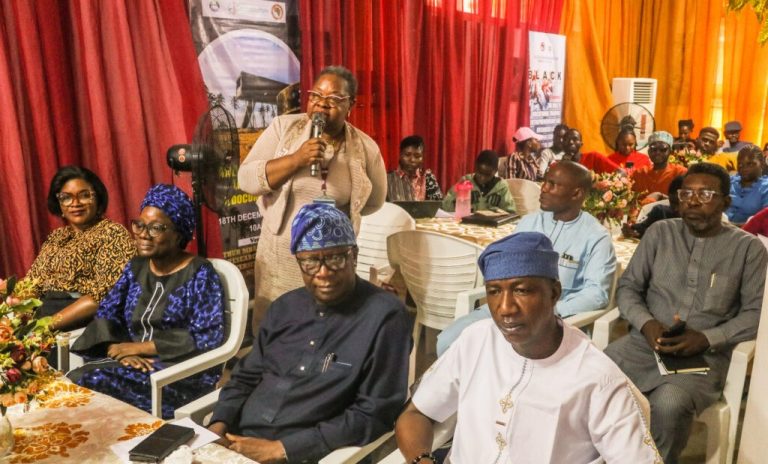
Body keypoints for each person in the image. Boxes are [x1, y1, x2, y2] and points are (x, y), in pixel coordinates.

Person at [395, 232, 661, 464]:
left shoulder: (597, 379)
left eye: (521, 291)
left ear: (554, 293)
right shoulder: (475, 340)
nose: (505, 308)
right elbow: (415, 415)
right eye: (494, 291)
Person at [207, 203, 411, 463]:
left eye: (335, 258)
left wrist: (281, 449)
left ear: (354, 256)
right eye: (311, 261)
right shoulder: (284, 307)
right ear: (299, 262)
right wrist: (217, 426)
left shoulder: (385, 316)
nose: (323, 273)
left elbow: (374, 413)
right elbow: (245, 378)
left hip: (310, 455)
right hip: (237, 444)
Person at [604, 162, 768, 463]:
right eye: (686, 193)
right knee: (596, 378)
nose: (692, 201)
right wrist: (647, 324)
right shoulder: (660, 233)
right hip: (642, 345)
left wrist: (707, 338)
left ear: (725, 202)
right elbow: (628, 288)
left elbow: (756, 313)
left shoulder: (748, 249)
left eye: (705, 194)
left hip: (703, 359)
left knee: (669, 404)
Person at [237, 65, 387, 330]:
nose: (321, 104)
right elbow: (246, 179)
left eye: (333, 99)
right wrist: (297, 159)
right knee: (277, 326)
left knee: (326, 329)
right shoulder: (284, 129)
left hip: (332, 263)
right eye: (316, 96)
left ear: (350, 104)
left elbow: (374, 201)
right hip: (282, 256)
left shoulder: (365, 147)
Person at [69, 184, 225, 419]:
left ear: (179, 233)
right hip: (129, 365)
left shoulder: (200, 274)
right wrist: (119, 351)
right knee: (72, 383)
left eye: (156, 228)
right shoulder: (136, 268)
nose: (143, 234)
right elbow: (107, 313)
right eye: (140, 225)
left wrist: (141, 348)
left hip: (179, 375)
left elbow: (207, 335)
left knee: (86, 382)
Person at [436, 161, 617, 355]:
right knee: (447, 342)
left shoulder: (595, 237)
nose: (543, 188)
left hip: (554, 321)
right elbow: (505, 269)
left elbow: (597, 294)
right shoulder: (529, 222)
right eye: (545, 182)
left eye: (552, 184)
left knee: (499, 355)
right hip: (506, 307)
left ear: (576, 194)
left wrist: (552, 311)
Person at [7, 166, 136, 331]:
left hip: (83, 324)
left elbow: (103, 297)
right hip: (43, 319)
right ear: (59, 203)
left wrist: (44, 327)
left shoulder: (112, 234)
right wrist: (15, 312)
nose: (75, 203)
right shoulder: (57, 237)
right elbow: (33, 285)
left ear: (98, 198)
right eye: (66, 197)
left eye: (84, 195)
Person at [442, 150, 516, 213]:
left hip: (491, 224)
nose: (482, 178)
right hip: (467, 223)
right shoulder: (465, 181)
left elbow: (510, 212)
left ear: (495, 171)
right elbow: (445, 206)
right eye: (479, 173)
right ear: (475, 167)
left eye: (487, 175)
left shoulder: (501, 187)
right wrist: (459, 202)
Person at [631, 131, 687, 202]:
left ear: (670, 151)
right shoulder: (639, 173)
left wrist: (660, 196)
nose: (658, 152)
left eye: (663, 149)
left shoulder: (680, 172)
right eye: (654, 149)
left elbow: (684, 200)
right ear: (649, 151)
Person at [386, 135, 443, 201]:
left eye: (417, 156)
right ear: (400, 155)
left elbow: (437, 204)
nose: (412, 160)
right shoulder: (388, 179)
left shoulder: (427, 178)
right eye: (407, 155)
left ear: (422, 158)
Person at [725, 145, 768, 224]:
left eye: (750, 164)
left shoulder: (766, 188)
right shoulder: (729, 181)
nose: (744, 168)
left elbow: (764, 222)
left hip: (748, 231)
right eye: (740, 164)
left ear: (762, 164)